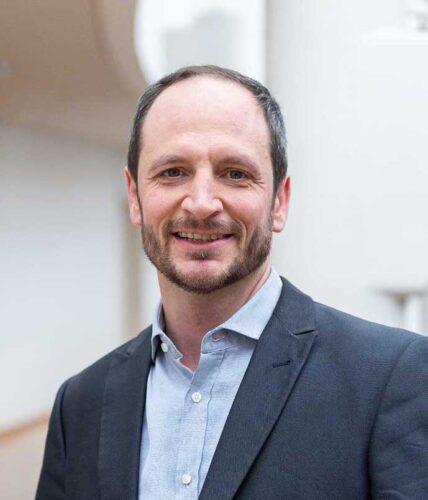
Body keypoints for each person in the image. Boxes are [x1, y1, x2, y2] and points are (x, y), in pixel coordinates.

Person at [36, 65, 428, 499]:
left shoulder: (392, 378)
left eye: (235, 173)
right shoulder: (81, 404)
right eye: (172, 172)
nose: (201, 204)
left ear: (279, 202)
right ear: (135, 197)